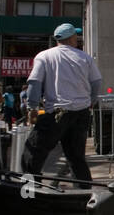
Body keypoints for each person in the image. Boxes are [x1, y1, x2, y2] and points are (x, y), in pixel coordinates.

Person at [22, 23, 103, 183]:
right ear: (72, 38)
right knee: (76, 157)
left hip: (57, 113)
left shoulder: (44, 56)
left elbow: (35, 83)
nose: (77, 40)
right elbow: (96, 82)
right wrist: (91, 101)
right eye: (76, 37)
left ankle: (29, 194)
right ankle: (85, 194)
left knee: (33, 154)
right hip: (81, 113)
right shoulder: (85, 58)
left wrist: (32, 107)